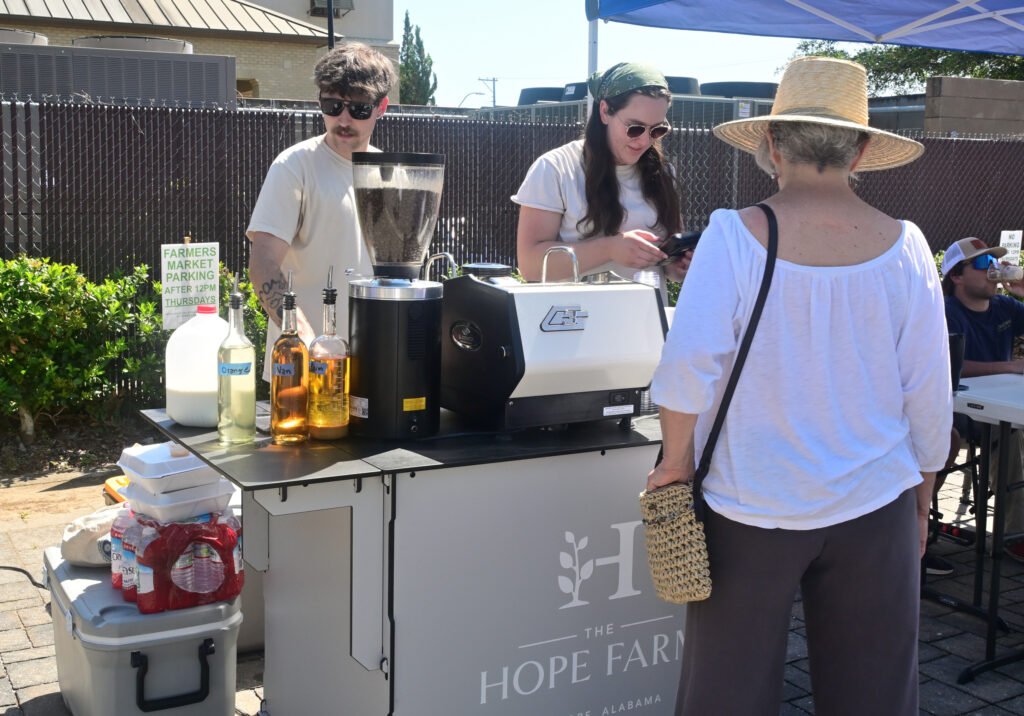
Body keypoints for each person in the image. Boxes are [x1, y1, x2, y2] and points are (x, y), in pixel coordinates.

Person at [647, 57, 952, 715]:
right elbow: (928, 389)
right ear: (862, 149)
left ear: (773, 144)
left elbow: (686, 369)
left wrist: (674, 466)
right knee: (874, 696)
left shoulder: (732, 236)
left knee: (723, 694)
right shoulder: (908, 246)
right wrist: (924, 491)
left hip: (748, 500)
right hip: (877, 499)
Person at [247, 43, 396, 380]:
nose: (343, 118)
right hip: (304, 372)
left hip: (372, 367)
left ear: (381, 107)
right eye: (332, 105)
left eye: (358, 108)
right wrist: (309, 345)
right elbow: (263, 264)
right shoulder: (294, 166)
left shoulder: (388, 173)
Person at [512, 62, 690, 296]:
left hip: (644, 323)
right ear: (604, 111)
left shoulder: (663, 172)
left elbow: (668, 269)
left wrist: (679, 264)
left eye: (657, 130)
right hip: (574, 323)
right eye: (635, 128)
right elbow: (531, 266)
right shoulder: (555, 168)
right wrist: (609, 249)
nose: (645, 141)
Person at [941, 237, 1024, 559]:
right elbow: (949, 363)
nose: (992, 269)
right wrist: (1010, 366)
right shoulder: (946, 311)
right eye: (981, 263)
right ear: (957, 276)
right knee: (1011, 434)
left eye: (993, 263)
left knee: (1012, 427)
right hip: (957, 409)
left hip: (997, 405)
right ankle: (1013, 536)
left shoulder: (1004, 307)